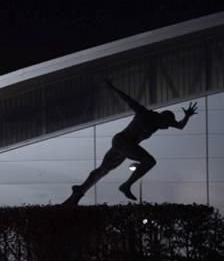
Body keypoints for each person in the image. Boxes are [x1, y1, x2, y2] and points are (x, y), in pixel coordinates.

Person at [64, 81, 198, 205]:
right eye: (165, 124)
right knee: (149, 161)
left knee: (103, 170)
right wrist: (112, 88)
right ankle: (126, 186)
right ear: (161, 117)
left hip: (125, 147)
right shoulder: (145, 113)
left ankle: (78, 192)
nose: (165, 127)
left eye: (166, 125)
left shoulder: (160, 123)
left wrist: (187, 116)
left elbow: (180, 126)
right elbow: (128, 99)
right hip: (122, 141)